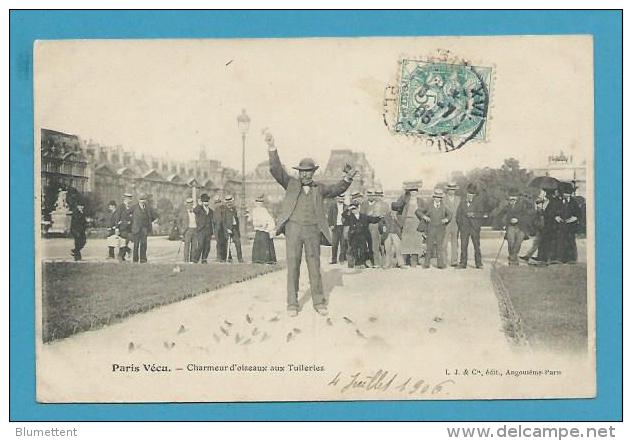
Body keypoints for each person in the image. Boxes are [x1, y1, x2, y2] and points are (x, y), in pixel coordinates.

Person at [266, 131, 355, 317]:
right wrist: (272, 147)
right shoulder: (289, 183)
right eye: (302, 172)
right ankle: (292, 304)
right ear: (298, 173)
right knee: (293, 266)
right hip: (293, 229)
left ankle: (319, 302)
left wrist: (348, 179)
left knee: (314, 266)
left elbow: (336, 189)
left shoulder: (319, 188)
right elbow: (276, 170)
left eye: (309, 172)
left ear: (313, 173)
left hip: (313, 230)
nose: (305, 176)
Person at [392, 182, 425, 267]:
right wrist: (404, 195)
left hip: (417, 222)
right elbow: (396, 206)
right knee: (406, 242)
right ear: (409, 192)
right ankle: (405, 261)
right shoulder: (405, 200)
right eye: (411, 191)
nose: (413, 192)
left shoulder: (420, 201)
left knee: (415, 242)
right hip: (407, 222)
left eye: (415, 191)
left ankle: (414, 262)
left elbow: (426, 210)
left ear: (417, 192)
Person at [417, 188, 452, 269]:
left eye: (439, 198)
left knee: (440, 247)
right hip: (430, 228)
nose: (437, 199)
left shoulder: (444, 206)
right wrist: (424, 216)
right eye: (436, 197)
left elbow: (450, 214)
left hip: (440, 229)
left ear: (441, 198)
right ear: (434, 197)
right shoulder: (428, 205)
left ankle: (440, 264)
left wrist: (446, 219)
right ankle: (426, 264)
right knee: (429, 247)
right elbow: (418, 211)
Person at [456, 183, 487, 269]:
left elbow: (482, 214)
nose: (470, 196)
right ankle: (463, 263)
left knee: (476, 246)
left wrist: (473, 214)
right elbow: (458, 215)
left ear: (474, 195)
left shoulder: (478, 203)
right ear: (466, 194)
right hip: (464, 228)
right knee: (463, 246)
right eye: (468, 194)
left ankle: (478, 263)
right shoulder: (462, 203)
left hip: (474, 228)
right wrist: (461, 225)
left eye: (472, 194)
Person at [343, 201, 382, 268]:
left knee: (363, 249)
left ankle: (362, 263)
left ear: (358, 208)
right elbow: (343, 215)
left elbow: (373, 219)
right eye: (352, 209)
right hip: (353, 236)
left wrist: (380, 217)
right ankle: (357, 263)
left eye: (355, 208)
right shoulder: (349, 217)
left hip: (363, 236)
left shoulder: (364, 216)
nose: (353, 210)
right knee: (354, 249)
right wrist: (348, 209)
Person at [497, 190, 529, 266]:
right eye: (510, 197)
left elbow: (527, 215)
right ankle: (513, 259)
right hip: (510, 227)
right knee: (511, 243)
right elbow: (500, 214)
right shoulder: (507, 206)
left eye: (514, 197)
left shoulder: (523, 205)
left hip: (521, 227)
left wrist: (518, 219)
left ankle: (513, 256)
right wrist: (502, 225)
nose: (512, 199)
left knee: (518, 243)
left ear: (517, 197)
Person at [553, 182, 581, 264]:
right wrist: (556, 217)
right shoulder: (557, 201)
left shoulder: (573, 202)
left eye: (568, 193)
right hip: (560, 225)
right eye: (565, 193)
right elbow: (552, 212)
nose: (566, 195)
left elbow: (579, 214)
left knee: (570, 241)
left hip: (570, 226)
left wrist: (573, 218)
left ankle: (571, 259)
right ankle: (559, 258)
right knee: (559, 241)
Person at [364, 188, 389, 267]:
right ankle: (377, 263)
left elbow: (388, 215)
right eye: (377, 196)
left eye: (380, 195)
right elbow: (368, 215)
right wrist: (376, 216)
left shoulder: (386, 205)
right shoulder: (372, 205)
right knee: (374, 245)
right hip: (373, 226)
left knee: (384, 244)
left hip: (383, 225)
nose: (379, 197)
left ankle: (384, 262)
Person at [131, 193, 157, 263]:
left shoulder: (148, 208)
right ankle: (135, 259)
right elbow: (128, 215)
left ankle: (143, 259)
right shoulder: (134, 207)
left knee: (143, 244)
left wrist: (150, 222)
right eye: (141, 199)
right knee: (136, 245)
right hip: (136, 229)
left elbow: (153, 216)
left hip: (144, 229)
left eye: (144, 199)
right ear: (138, 200)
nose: (142, 201)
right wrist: (131, 224)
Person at [251, 195, 277, 264]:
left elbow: (268, 219)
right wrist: (258, 224)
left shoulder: (264, 210)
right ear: (256, 202)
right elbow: (254, 220)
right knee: (258, 244)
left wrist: (266, 225)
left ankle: (267, 259)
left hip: (265, 229)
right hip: (259, 229)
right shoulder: (254, 210)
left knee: (265, 244)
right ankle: (257, 259)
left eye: (261, 202)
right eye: (258, 202)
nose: (259, 203)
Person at [521, 196, 546, 263]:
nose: (538, 206)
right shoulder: (538, 212)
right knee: (536, 243)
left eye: (538, 204)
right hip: (540, 229)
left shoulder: (541, 212)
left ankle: (531, 256)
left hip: (543, 229)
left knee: (538, 243)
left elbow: (540, 221)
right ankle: (529, 256)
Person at [443, 182, 461, 267]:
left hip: (456, 224)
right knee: (444, 243)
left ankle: (454, 260)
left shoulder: (459, 199)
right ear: (447, 190)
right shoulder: (443, 199)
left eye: (453, 190)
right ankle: (444, 261)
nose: (452, 191)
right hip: (445, 224)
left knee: (455, 243)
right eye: (450, 189)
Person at [327, 193, 348, 264]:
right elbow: (329, 217)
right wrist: (331, 225)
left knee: (343, 244)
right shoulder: (332, 206)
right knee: (334, 244)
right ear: (337, 198)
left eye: (342, 197)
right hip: (335, 227)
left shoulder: (346, 207)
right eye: (339, 197)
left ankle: (342, 259)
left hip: (343, 226)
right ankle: (334, 260)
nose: (341, 199)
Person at [194, 193, 214, 263]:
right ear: (202, 202)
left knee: (207, 246)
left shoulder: (211, 211)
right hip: (201, 230)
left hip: (208, 230)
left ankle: (204, 259)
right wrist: (199, 205)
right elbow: (195, 211)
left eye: (207, 201)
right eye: (205, 201)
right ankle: (195, 259)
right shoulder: (199, 209)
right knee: (200, 245)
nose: (206, 203)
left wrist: (212, 231)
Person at [222, 195, 243, 263]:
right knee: (227, 245)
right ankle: (229, 258)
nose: (229, 203)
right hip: (228, 229)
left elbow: (236, 219)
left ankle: (240, 259)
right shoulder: (224, 210)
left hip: (234, 229)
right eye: (228, 202)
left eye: (230, 201)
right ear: (226, 202)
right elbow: (223, 221)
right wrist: (227, 229)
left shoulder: (234, 209)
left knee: (238, 243)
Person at [114, 192, 134, 262]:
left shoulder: (131, 208)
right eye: (128, 199)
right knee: (123, 241)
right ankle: (122, 255)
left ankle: (122, 256)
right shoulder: (120, 207)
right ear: (125, 199)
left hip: (129, 228)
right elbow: (117, 217)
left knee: (126, 242)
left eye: (130, 199)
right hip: (122, 228)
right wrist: (116, 228)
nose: (130, 200)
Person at [179, 197, 198, 263]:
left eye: (191, 203)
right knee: (187, 246)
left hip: (195, 230)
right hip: (187, 230)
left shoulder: (196, 212)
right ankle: (186, 260)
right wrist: (181, 230)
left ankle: (192, 260)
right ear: (186, 204)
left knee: (194, 246)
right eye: (188, 204)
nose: (190, 205)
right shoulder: (183, 212)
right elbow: (178, 221)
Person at [212, 195, 226, 262]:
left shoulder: (217, 209)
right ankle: (223, 257)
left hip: (219, 228)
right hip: (220, 227)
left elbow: (216, 220)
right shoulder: (222, 208)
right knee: (222, 243)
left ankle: (220, 257)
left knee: (220, 243)